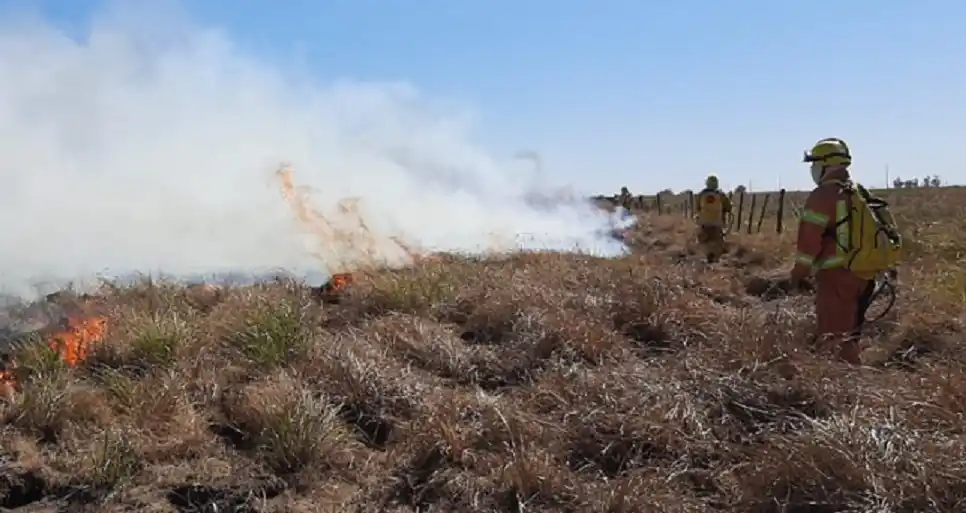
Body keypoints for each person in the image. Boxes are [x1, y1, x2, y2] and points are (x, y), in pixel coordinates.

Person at [790, 137, 903, 365]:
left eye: (815, 163)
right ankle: (850, 374)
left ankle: (843, 383)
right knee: (851, 333)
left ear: (825, 164)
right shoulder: (858, 192)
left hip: (837, 277)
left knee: (834, 340)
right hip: (864, 275)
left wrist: (798, 275)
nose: (813, 169)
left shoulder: (823, 195)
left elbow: (808, 245)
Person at [694, 175, 732, 263]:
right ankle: (714, 258)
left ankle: (708, 256)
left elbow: (698, 207)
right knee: (718, 242)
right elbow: (728, 208)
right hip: (717, 223)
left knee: (704, 241)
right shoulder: (721, 195)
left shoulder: (701, 195)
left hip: (704, 223)